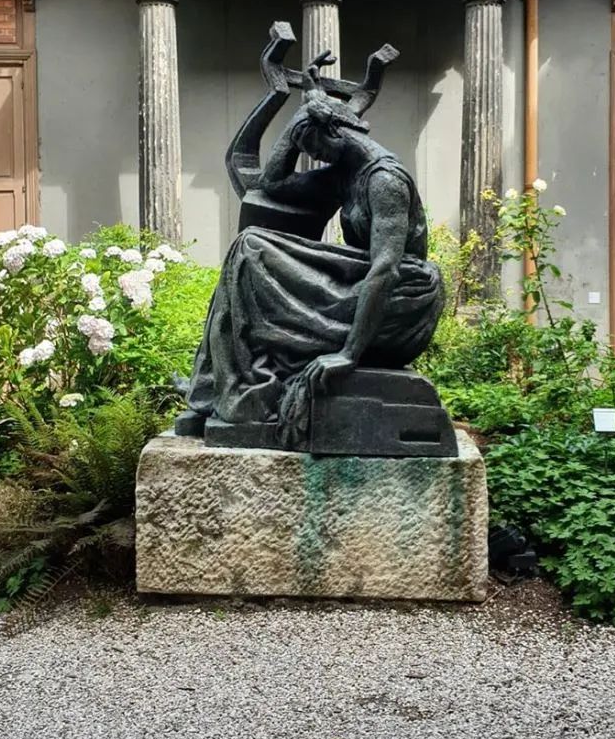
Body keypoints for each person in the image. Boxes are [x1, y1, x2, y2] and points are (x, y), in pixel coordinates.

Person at [182, 54, 444, 448]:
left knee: (251, 249)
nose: (315, 157)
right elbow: (272, 184)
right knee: (248, 249)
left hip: (402, 295)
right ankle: (212, 386)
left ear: (335, 133)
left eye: (315, 148)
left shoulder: (385, 180)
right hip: (362, 277)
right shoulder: (345, 173)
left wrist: (348, 354)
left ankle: (234, 388)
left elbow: (386, 269)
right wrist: (297, 123)